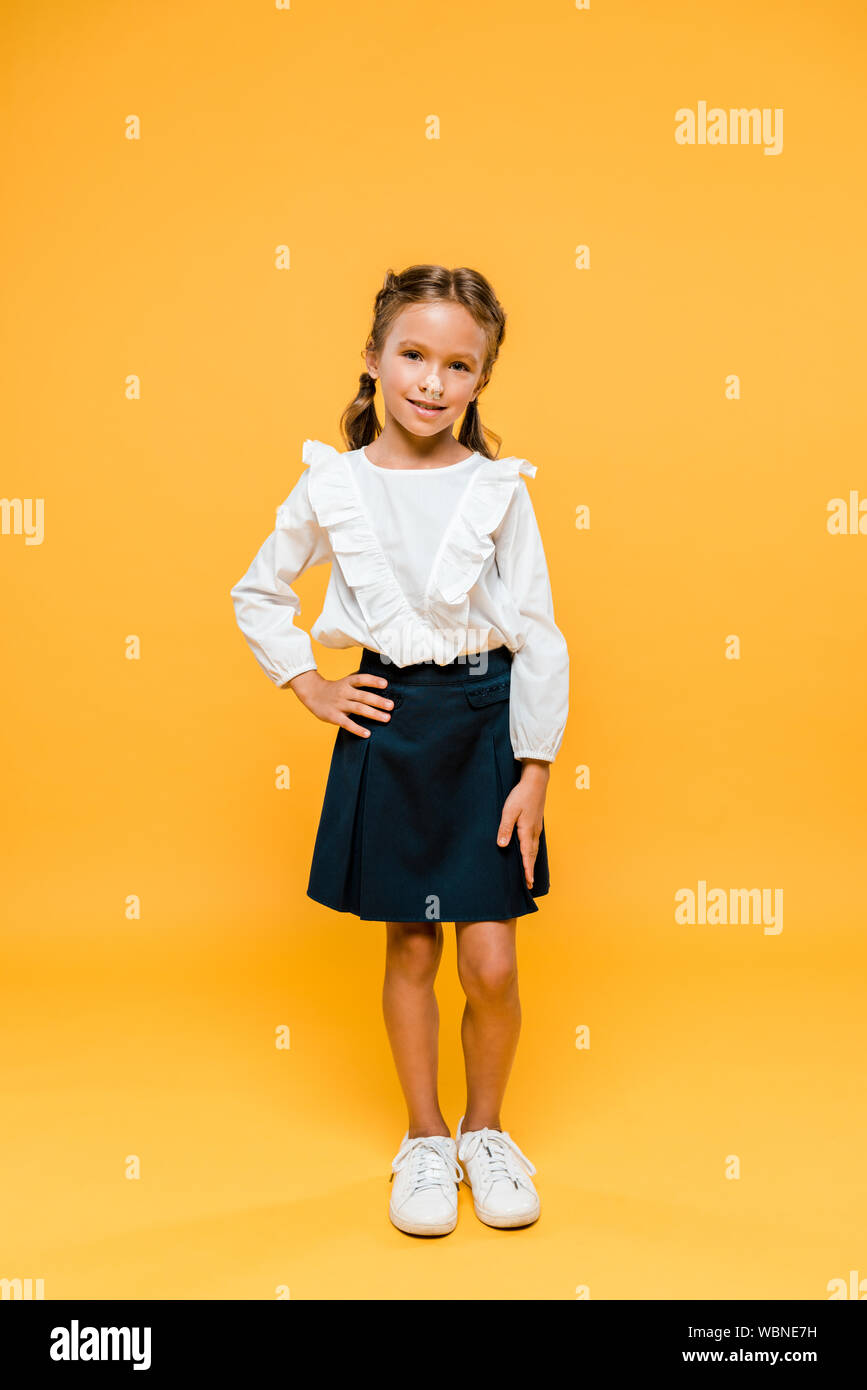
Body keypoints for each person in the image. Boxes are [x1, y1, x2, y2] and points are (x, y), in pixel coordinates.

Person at [230, 263, 569, 1237]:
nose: (431, 380)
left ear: (481, 381)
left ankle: (486, 1131)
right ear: (374, 358)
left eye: (458, 364)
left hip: (489, 725)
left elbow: (540, 633)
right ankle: (424, 1140)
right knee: (413, 944)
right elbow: (258, 590)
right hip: (393, 724)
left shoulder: (498, 489)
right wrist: (312, 681)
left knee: (493, 962)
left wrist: (537, 770)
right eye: (412, 355)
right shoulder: (332, 485)